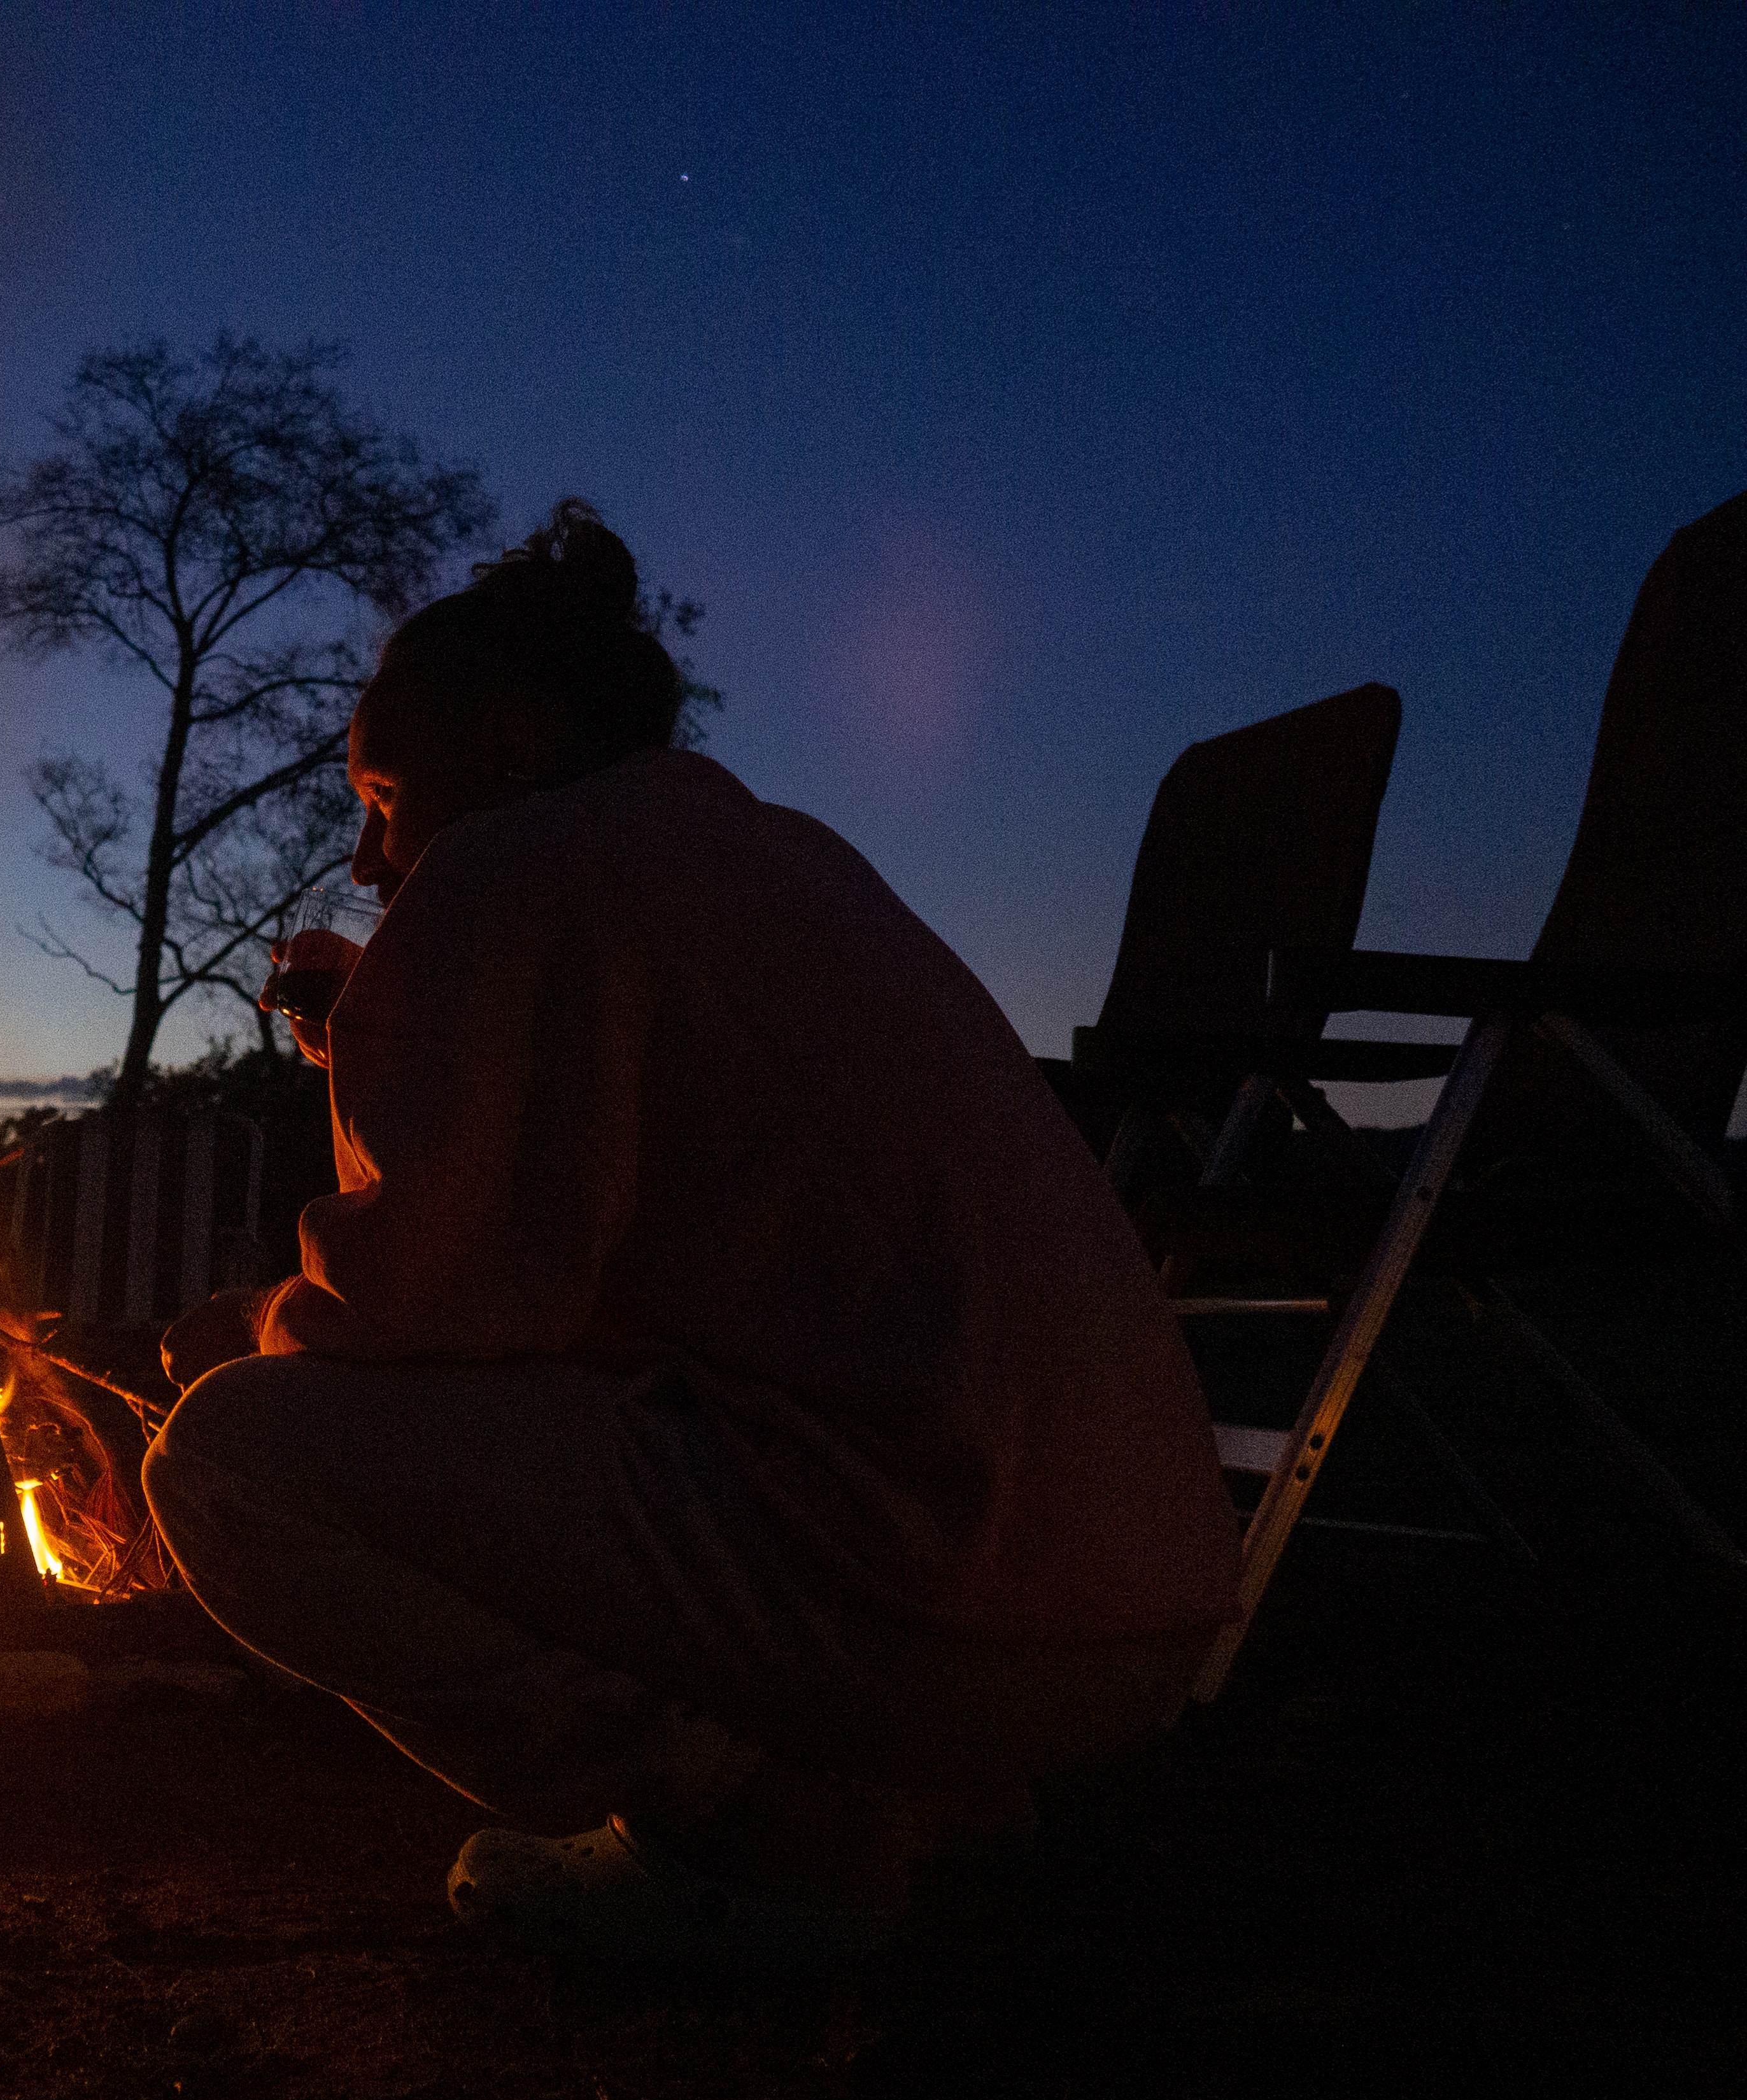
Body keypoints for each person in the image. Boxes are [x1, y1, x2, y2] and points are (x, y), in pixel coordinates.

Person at [145, 500, 1245, 1966]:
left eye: (384, 790)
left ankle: (750, 1823)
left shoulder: (503, 872)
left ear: (516, 749)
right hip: (1143, 1620)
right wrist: (397, 1033)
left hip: (939, 1607)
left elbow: (438, 1314)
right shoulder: (773, 859)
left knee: (227, 1462)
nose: (365, 856)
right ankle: (942, 1805)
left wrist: (262, 1324)